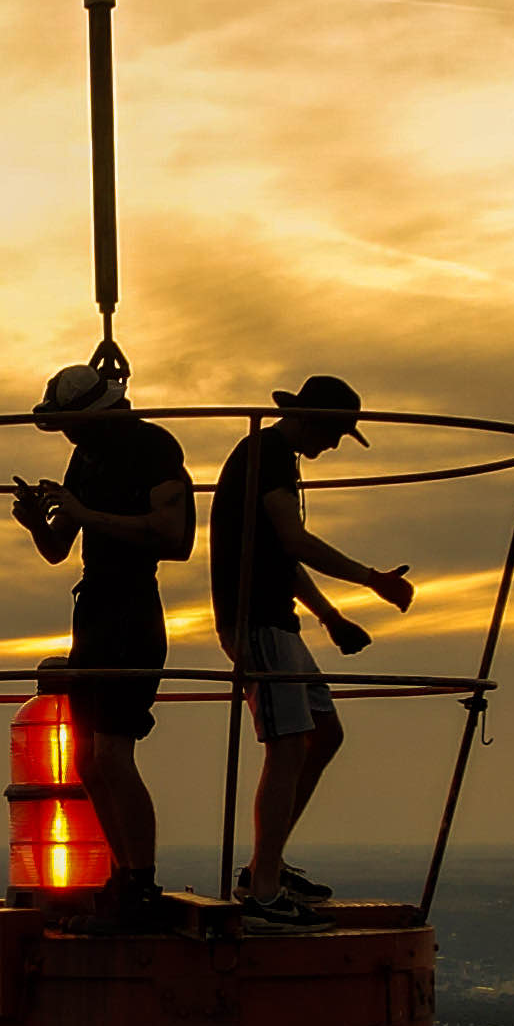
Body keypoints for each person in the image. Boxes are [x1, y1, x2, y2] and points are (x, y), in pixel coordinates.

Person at [208, 374, 413, 927]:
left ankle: (264, 865)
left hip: (279, 620)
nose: (335, 445)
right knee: (289, 744)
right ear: (312, 420)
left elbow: (281, 555)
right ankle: (263, 891)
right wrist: (373, 581)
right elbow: (293, 541)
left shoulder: (276, 458)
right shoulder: (267, 454)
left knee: (323, 733)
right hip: (256, 622)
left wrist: (330, 617)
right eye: (337, 432)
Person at [10, 352, 193, 928]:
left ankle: (140, 881)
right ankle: (123, 877)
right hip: (92, 611)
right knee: (89, 761)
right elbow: (59, 546)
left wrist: (86, 511)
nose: (64, 433)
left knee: (113, 752)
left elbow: (174, 537)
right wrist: (38, 521)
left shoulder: (153, 449)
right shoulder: (82, 460)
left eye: (69, 423)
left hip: (133, 611)